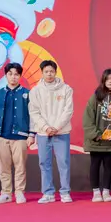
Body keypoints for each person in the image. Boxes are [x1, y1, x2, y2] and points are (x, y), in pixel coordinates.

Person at [0, 63, 35, 204]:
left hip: (21, 136)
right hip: (1, 136)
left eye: (16, 74)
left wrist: (31, 134)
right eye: (10, 74)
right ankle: (6, 193)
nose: (13, 77)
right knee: (3, 167)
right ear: (5, 75)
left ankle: (20, 192)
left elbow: (33, 116)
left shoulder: (27, 94)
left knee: (20, 167)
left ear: (20, 76)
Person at [29, 60, 74, 204]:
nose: (49, 74)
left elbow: (68, 110)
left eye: (51, 71)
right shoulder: (35, 91)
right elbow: (34, 112)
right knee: (44, 163)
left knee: (64, 162)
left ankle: (65, 192)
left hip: (62, 132)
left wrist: (56, 127)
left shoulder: (66, 89)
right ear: (42, 73)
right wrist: (46, 128)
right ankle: (48, 193)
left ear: (56, 72)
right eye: (46, 72)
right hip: (43, 133)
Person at [82, 68, 111, 202]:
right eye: (107, 79)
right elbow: (88, 118)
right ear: (103, 81)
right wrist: (96, 135)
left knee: (109, 166)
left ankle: (106, 191)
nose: (110, 81)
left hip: (109, 141)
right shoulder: (95, 97)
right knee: (95, 165)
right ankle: (96, 192)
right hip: (96, 140)